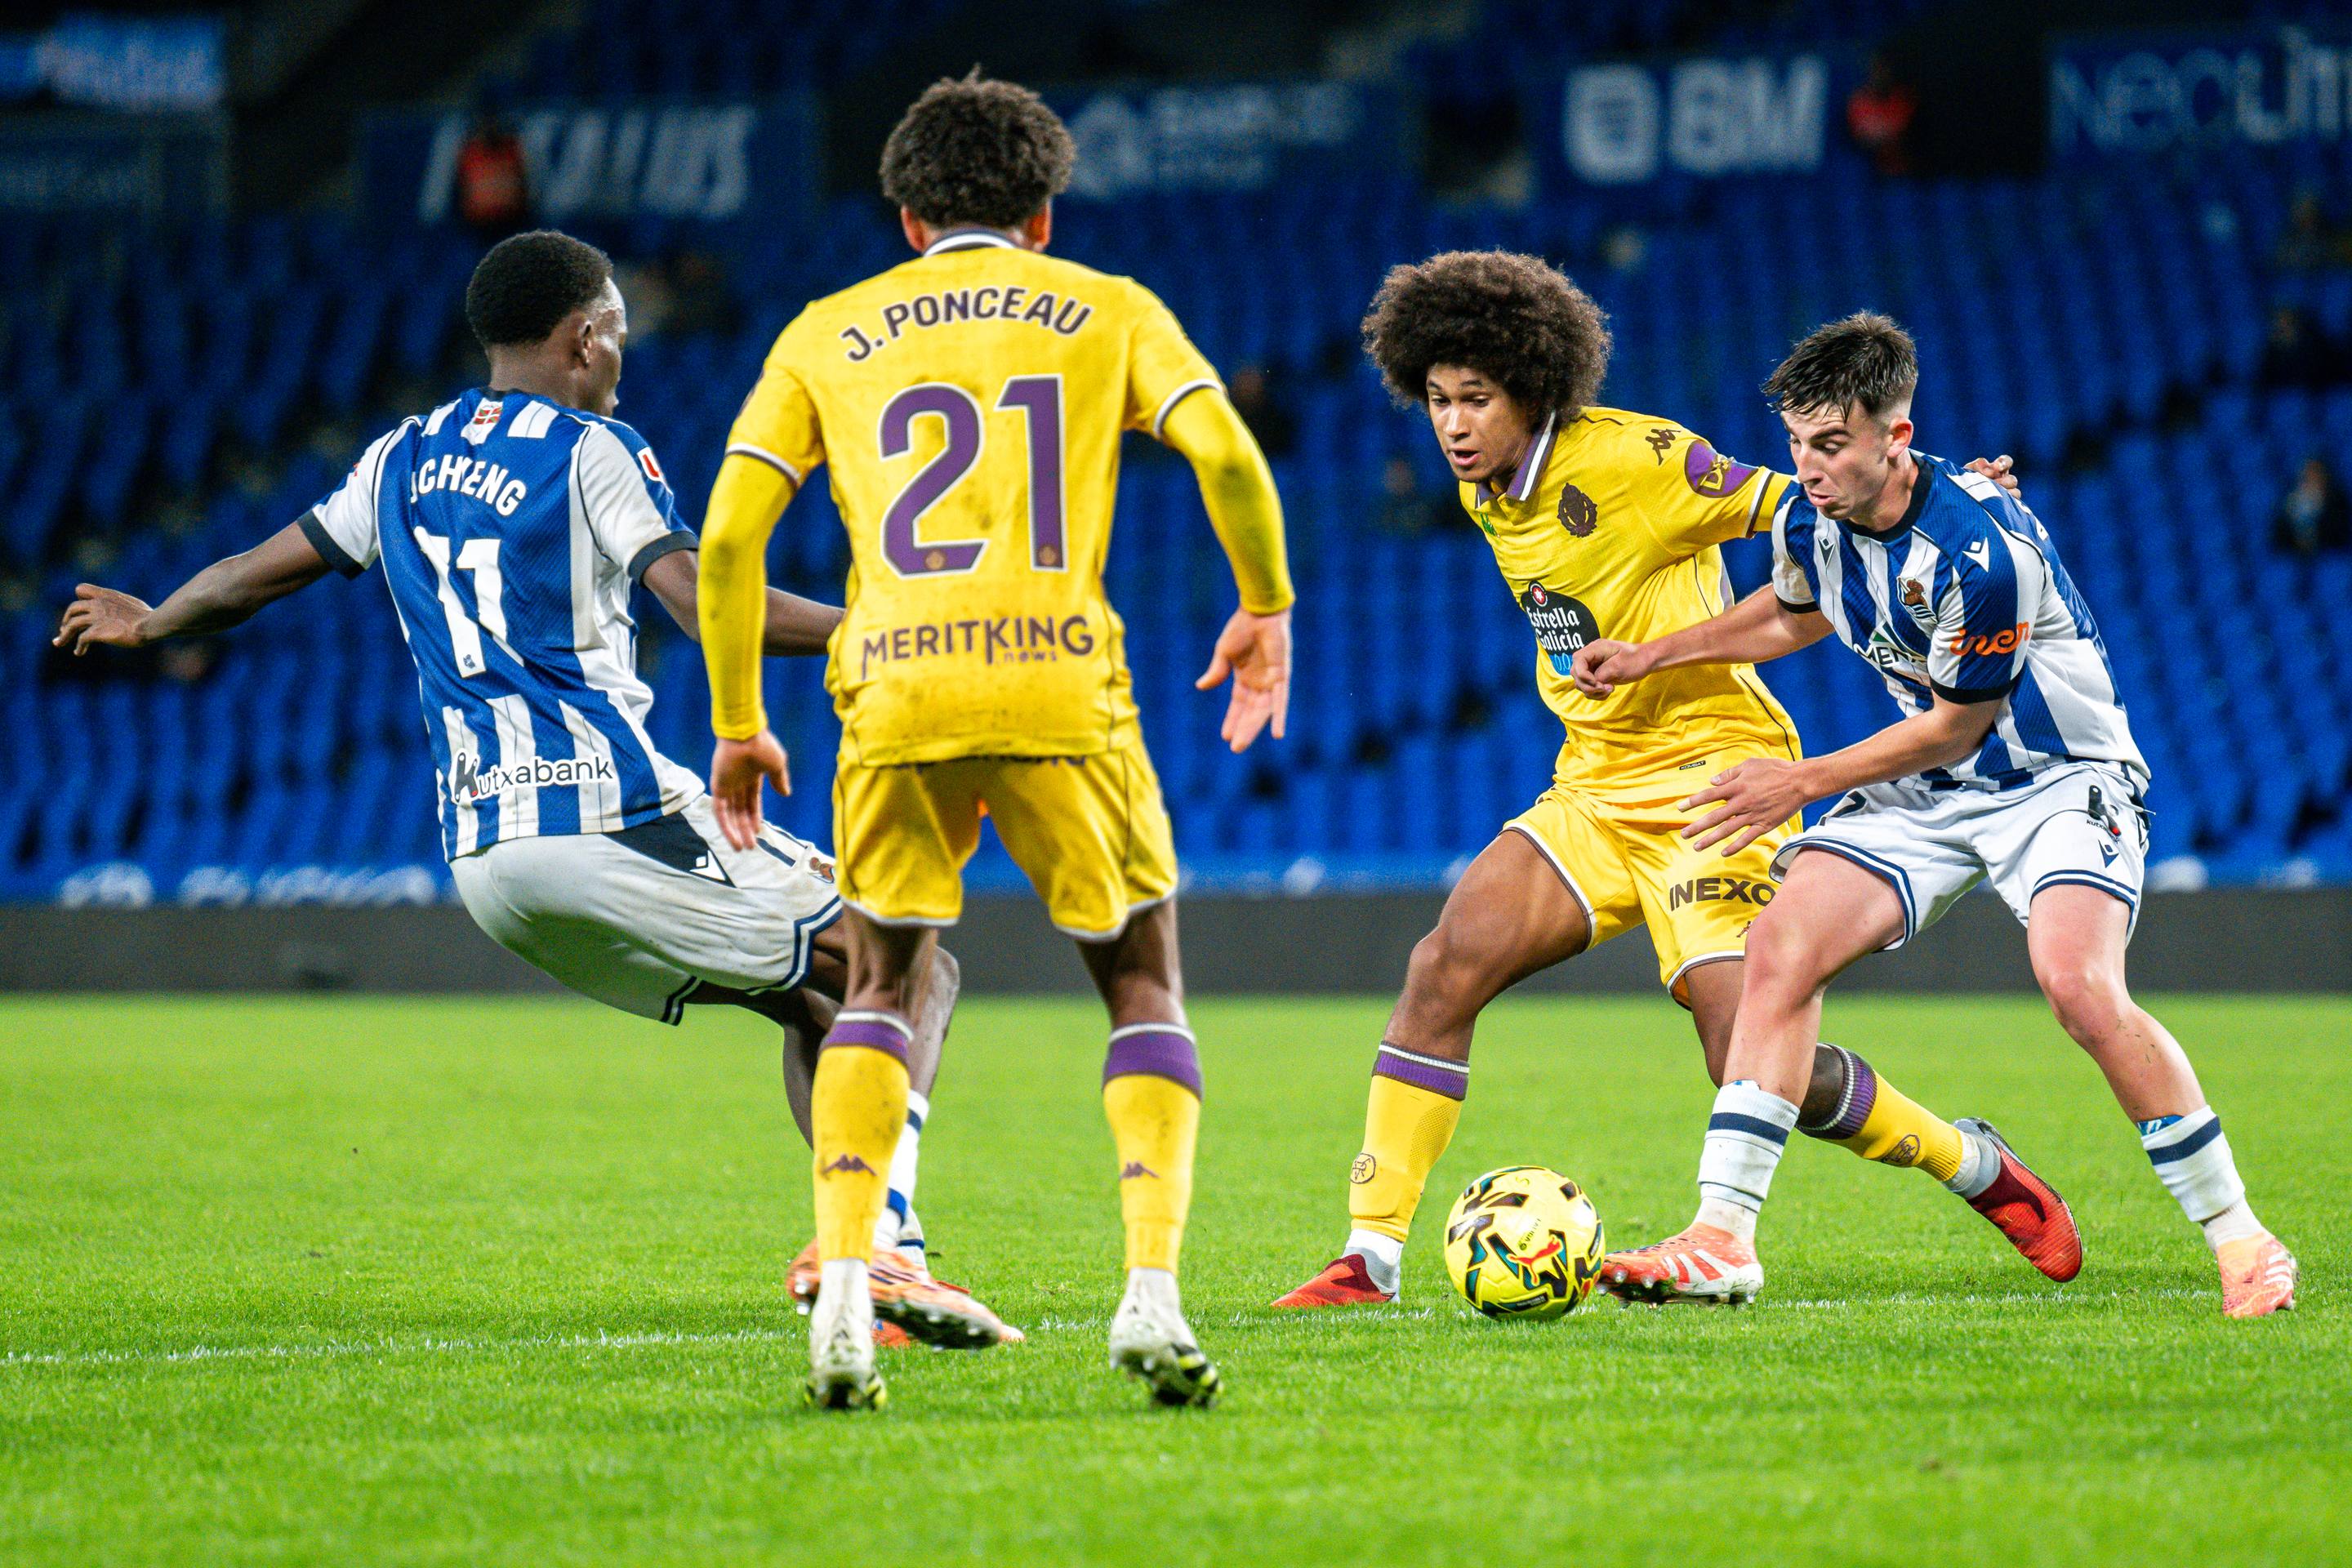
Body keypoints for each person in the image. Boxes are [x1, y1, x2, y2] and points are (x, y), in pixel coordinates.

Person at [52, 229, 1017, 1351]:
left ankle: (862, 1281)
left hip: (487, 865)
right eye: (618, 327)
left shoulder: (400, 457)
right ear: (584, 335)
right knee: (916, 967)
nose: (624, 349)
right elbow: (703, 607)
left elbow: (251, 577)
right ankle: (880, 1247)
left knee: (809, 996)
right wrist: (886, 630)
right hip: (607, 815)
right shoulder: (594, 449)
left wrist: (154, 615)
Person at [1272, 252, 2068, 1312]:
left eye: (1477, 399)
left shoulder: (1641, 461)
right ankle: (1366, 1263)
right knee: (1443, 964)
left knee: (1747, 1058)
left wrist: (1957, 494)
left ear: (1534, 388)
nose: (1454, 425)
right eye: (1437, 401)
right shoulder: (1488, 494)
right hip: (1595, 785)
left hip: (1707, 781)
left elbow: (1814, 501)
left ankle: (1968, 1162)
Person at [696, 74, 1293, 1410]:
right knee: (1143, 982)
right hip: (1057, 684)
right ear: (1043, 210)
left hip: (895, 688)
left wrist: (740, 724)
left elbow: (731, 536)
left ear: (908, 217)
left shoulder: (826, 331)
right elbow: (1230, 459)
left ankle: (848, 1286)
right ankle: (1151, 1293)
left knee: (878, 987)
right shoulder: (1107, 306)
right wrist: (1265, 610)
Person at [1579, 312, 2296, 1319]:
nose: (1808, 468)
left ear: (1896, 438)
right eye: (1797, 443)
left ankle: (2243, 1238)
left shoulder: (1979, 551)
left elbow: (1959, 727)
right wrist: (1651, 653)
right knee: (1779, 949)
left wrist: (1803, 779)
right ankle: (1722, 1240)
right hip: (1932, 791)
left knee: (2079, 986)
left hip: (2055, 780)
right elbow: (1796, 609)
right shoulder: (1811, 517)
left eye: (1830, 445)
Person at [455, 108, 532, 239]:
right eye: (485, 126)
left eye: (493, 126)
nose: (490, 131)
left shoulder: (511, 149)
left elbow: (523, 183)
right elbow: (462, 188)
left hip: (511, 219)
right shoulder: (471, 153)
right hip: (480, 223)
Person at [2272, 456, 2350, 555]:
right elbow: (2278, 539)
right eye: (2307, 475)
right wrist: (2293, 518)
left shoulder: (2337, 501)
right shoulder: (2290, 501)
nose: (2311, 478)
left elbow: (2340, 537)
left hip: (2327, 555)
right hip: (2295, 555)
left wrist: (2318, 509)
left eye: (2316, 474)